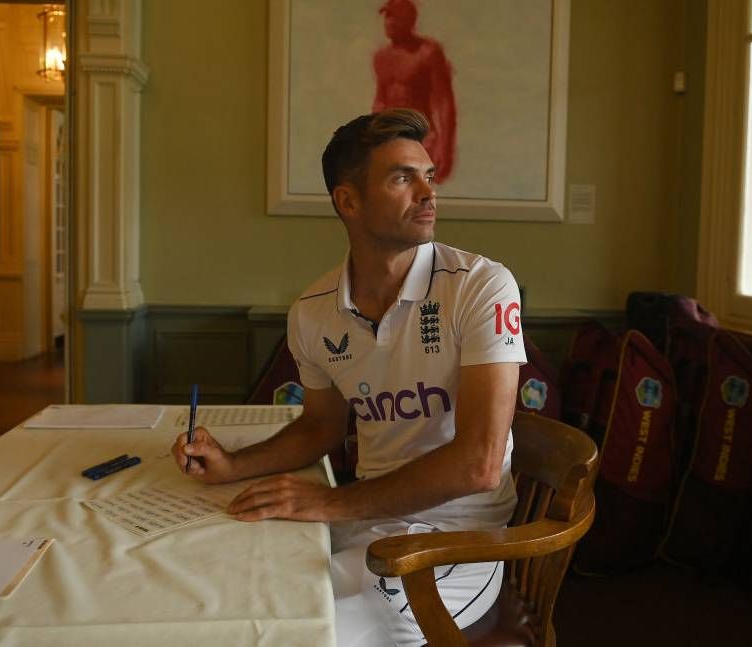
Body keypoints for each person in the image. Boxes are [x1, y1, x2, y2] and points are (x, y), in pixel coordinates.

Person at [172, 108, 525, 647]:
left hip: (460, 539)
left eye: (429, 175)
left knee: (321, 635)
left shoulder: (483, 286)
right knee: (231, 595)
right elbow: (320, 428)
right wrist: (231, 466)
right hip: (365, 522)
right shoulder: (313, 311)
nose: (429, 193)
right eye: (403, 177)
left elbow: (479, 464)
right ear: (349, 201)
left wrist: (330, 503)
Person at [372, 0, 457, 182]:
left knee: (422, 194)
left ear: (410, 21)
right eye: (387, 17)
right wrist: (372, 140)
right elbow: (380, 101)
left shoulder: (428, 52)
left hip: (423, 138)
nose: (389, 22)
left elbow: (444, 102)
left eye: (395, 17)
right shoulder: (381, 57)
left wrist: (445, 146)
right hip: (390, 138)